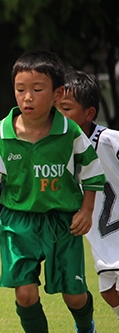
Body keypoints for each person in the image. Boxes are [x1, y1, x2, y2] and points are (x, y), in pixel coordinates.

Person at [0, 50, 106, 333]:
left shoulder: (70, 134)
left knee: (74, 296)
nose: (27, 97)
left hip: (63, 221)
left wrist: (87, 210)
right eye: (20, 89)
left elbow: (91, 174)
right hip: (18, 222)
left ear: (57, 93)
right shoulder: (2, 133)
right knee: (24, 293)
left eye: (37, 89)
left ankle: (86, 328)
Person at [56, 70, 119, 320]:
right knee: (109, 293)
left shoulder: (109, 141)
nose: (58, 116)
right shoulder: (57, 152)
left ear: (89, 114)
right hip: (102, 238)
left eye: (66, 109)